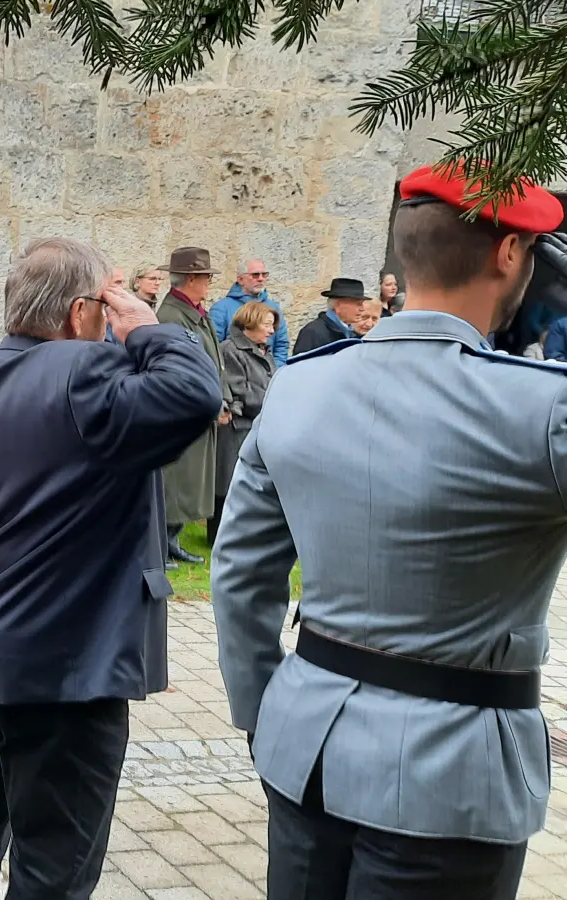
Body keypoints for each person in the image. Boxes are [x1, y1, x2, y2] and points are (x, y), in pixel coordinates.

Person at [213, 165, 566, 900]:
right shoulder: (540, 411)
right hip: (450, 781)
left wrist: (262, 709)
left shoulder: (300, 386)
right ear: (510, 256)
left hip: (303, 746)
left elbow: (241, 572)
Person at [0, 237, 221, 900]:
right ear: (78, 313)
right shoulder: (85, 376)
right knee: (53, 867)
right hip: (66, 670)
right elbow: (196, 395)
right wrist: (147, 327)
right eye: (107, 302)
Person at [156, 247, 232, 566]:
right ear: (190, 279)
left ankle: (172, 541)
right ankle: (159, 544)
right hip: (185, 412)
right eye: (205, 278)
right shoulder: (172, 316)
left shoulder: (197, 311)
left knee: (192, 482)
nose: (209, 284)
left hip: (202, 409)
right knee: (177, 483)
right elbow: (180, 369)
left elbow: (216, 361)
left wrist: (223, 399)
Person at [208, 301, 276, 546]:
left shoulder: (261, 351)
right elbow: (239, 389)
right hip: (237, 426)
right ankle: (218, 536)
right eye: (266, 324)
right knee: (227, 483)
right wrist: (269, 400)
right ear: (250, 323)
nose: (271, 331)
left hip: (255, 424)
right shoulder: (231, 350)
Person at [210, 259, 290, 365]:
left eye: (264, 274)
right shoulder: (221, 309)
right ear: (240, 279)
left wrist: (273, 372)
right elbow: (213, 347)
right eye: (255, 275)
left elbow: (281, 345)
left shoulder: (273, 308)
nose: (261, 279)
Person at [292, 277, 369, 354]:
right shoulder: (313, 332)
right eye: (358, 304)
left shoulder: (352, 333)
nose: (362, 309)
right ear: (338, 305)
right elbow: (300, 364)